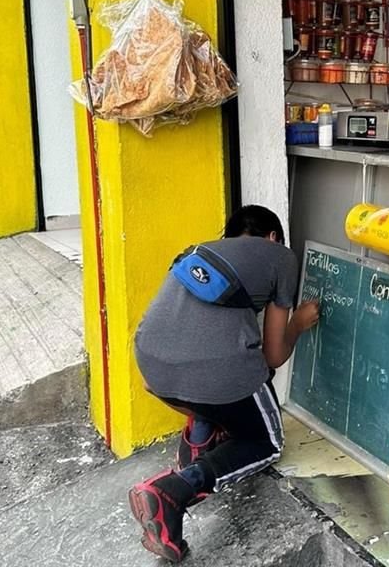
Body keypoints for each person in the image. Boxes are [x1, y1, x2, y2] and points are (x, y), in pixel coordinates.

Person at [126, 205, 319, 562]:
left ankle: (199, 439)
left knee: (217, 382)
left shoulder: (201, 250)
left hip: (152, 368)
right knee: (266, 441)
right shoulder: (281, 257)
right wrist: (299, 324)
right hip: (211, 373)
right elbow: (273, 356)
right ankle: (174, 489)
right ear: (273, 236)